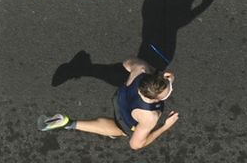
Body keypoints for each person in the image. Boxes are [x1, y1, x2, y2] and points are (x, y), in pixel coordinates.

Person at [40, 59, 177, 151]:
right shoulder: (150, 117)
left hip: (120, 97)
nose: (171, 87)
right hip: (128, 117)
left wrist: (158, 78)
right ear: (155, 99)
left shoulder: (141, 68)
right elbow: (135, 145)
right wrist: (165, 126)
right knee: (121, 130)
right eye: (168, 90)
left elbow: (127, 63)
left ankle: (65, 122)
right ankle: (68, 123)